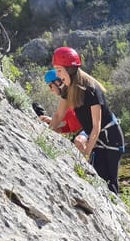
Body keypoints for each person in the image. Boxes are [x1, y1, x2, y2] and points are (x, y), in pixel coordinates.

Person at [48, 47, 125, 194]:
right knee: (97, 178)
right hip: (97, 138)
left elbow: (96, 126)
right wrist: (46, 135)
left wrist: (86, 153)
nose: (57, 75)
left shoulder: (90, 89)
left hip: (111, 138)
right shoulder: (68, 89)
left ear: (69, 69)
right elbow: (58, 116)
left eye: (59, 70)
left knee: (109, 183)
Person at [35, 69, 88, 152]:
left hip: (88, 129)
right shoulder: (67, 96)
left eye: (50, 86)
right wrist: (60, 129)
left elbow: (68, 115)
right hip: (81, 131)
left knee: (79, 141)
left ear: (57, 82)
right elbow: (72, 123)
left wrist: (53, 121)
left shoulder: (71, 94)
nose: (51, 90)